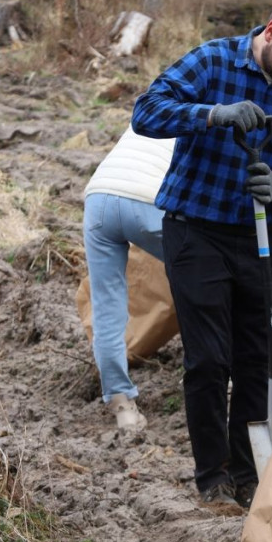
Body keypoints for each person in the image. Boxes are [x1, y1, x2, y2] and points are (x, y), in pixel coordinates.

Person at [130, 0, 272, 508]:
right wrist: (212, 115)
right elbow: (146, 112)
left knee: (258, 355)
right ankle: (213, 475)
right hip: (196, 229)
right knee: (208, 359)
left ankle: (250, 472)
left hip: (263, 236)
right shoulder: (212, 60)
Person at [83, 125, 174, 435]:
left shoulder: (153, 109)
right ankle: (220, 378)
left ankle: (124, 409)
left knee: (107, 310)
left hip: (99, 198)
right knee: (202, 284)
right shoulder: (211, 113)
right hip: (149, 199)